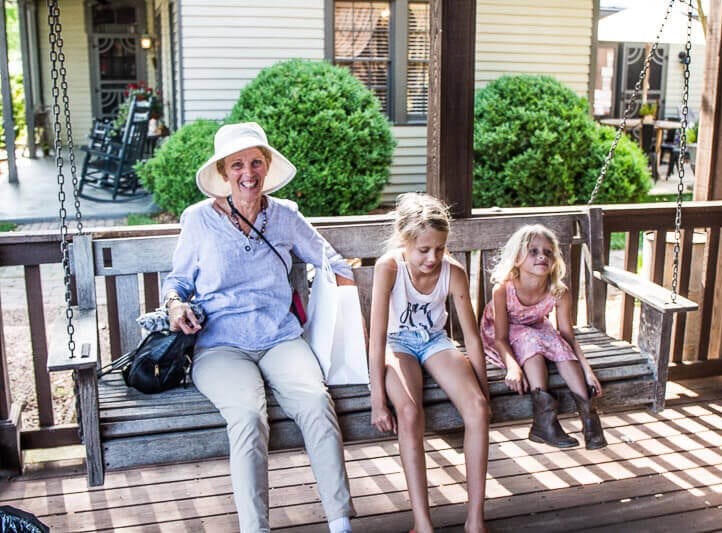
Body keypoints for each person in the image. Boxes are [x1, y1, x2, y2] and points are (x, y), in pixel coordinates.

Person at [162, 122, 355, 533]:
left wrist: (373, 290)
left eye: (255, 162)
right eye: (237, 165)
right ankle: (255, 528)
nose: (247, 173)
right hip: (220, 346)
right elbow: (177, 281)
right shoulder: (198, 220)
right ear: (224, 172)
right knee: (249, 418)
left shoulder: (285, 216)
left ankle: (340, 524)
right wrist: (176, 305)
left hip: (280, 338)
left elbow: (330, 261)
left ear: (266, 166)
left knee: (317, 406)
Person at [368, 193, 490, 533]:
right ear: (405, 242)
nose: (433, 258)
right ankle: (423, 524)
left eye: (440, 248)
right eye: (424, 250)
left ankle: (475, 521)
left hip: (434, 341)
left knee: (478, 410)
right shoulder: (389, 267)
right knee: (408, 412)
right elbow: (377, 336)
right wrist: (377, 399)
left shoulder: (454, 273)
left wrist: (483, 390)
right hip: (397, 343)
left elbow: (472, 336)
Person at [480, 224, 608, 450]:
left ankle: (589, 419)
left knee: (554, 341)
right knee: (530, 339)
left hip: (536, 328)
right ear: (518, 257)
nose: (542, 256)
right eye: (533, 251)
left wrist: (588, 371)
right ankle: (544, 422)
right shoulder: (503, 289)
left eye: (548, 252)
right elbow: (500, 337)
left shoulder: (558, 291)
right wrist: (512, 367)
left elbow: (567, 335)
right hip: (502, 334)